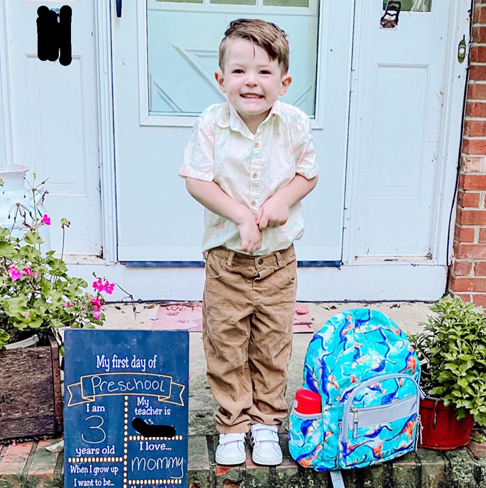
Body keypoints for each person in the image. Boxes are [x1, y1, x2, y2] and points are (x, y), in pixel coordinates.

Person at [179, 18, 318, 466]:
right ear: (221, 79)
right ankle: (233, 422)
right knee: (226, 342)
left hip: (279, 261)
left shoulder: (294, 123)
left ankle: (265, 421)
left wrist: (284, 198)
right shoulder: (211, 123)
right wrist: (240, 214)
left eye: (263, 72)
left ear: (284, 81)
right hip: (226, 261)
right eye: (239, 71)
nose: (251, 81)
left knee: (273, 343)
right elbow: (197, 181)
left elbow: (308, 173)